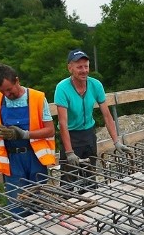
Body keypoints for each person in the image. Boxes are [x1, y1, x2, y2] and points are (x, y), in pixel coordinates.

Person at [54, 49, 129, 193]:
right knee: (68, 179)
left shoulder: (95, 85)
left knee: (89, 178)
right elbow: (63, 123)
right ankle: (67, 211)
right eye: (79, 67)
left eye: (86, 66)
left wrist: (116, 141)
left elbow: (107, 115)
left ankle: (88, 208)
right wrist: (69, 152)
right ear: (70, 68)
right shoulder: (62, 88)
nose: (84, 70)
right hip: (71, 135)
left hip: (88, 135)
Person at [0, 63, 56, 215]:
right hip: (12, 160)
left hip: (34, 157)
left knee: (38, 201)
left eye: (9, 89)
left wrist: (25, 134)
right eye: (2, 91)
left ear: (17, 80)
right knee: (17, 204)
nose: (6, 94)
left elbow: (50, 129)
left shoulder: (37, 98)